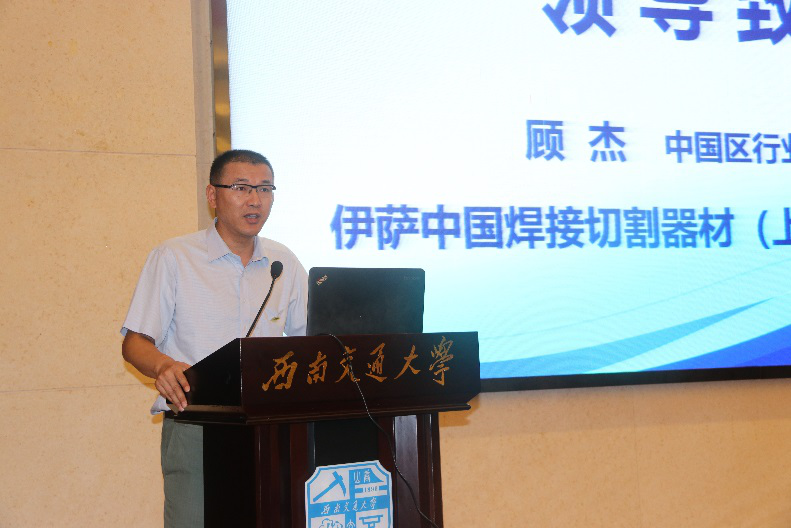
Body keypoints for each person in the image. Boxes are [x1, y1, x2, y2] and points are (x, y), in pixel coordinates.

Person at [120, 149, 308, 527]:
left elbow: (314, 339)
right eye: (241, 188)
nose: (255, 200)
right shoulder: (175, 257)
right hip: (196, 424)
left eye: (265, 189)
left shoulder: (282, 262)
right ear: (212, 195)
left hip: (268, 427)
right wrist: (164, 366)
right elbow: (135, 342)